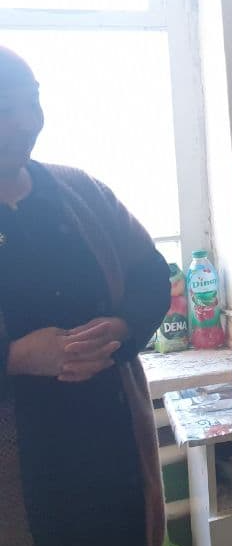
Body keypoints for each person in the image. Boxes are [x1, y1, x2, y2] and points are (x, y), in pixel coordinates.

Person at [0, 46, 169, 546]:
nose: (28, 122)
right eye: (6, 109)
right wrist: (13, 357)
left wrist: (123, 327)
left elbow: (151, 276)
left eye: (33, 102)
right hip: (23, 481)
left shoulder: (82, 192)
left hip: (113, 459)